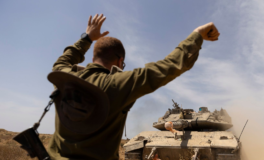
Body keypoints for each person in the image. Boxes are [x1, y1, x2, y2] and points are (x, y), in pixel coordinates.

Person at [48, 13, 220, 160]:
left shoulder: (63, 77)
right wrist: (197, 35)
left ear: (93, 57)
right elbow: (170, 65)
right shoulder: (118, 84)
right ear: (120, 61)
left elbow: (63, 60)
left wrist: (87, 38)